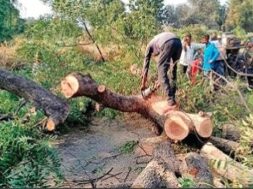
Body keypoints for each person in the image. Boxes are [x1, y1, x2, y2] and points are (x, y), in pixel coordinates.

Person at [141, 32, 182, 110]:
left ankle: (170, 100)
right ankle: (172, 97)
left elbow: (145, 67)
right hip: (178, 42)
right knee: (173, 70)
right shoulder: (157, 41)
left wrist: (143, 84)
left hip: (168, 42)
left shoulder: (149, 46)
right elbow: (167, 67)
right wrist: (161, 78)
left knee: (161, 69)